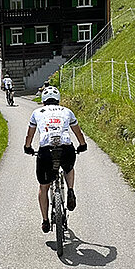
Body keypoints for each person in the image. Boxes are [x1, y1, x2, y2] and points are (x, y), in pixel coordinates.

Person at [22, 85, 88, 233]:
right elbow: (77, 132)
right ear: (58, 99)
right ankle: (70, 190)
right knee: (68, 168)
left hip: (46, 151)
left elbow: (30, 134)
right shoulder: (67, 111)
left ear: (43, 100)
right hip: (66, 148)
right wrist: (82, 145)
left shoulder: (37, 112)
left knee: (43, 187)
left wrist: (28, 147)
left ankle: (45, 221)